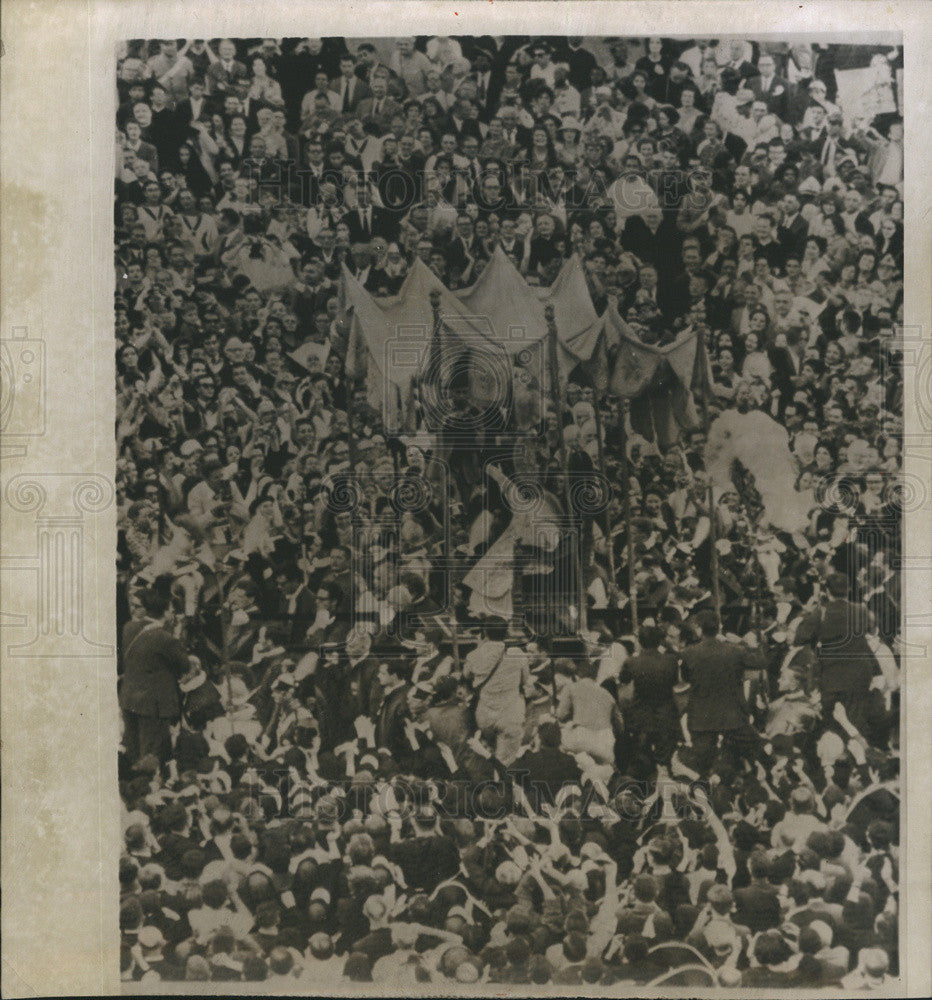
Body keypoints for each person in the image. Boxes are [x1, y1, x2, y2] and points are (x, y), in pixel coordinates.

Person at [680, 610, 767, 772]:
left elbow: (686, 678)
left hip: (702, 718)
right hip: (732, 715)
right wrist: (748, 644)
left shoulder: (688, 653)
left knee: (703, 765)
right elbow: (761, 662)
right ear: (719, 627)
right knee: (756, 753)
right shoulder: (735, 650)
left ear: (699, 629)